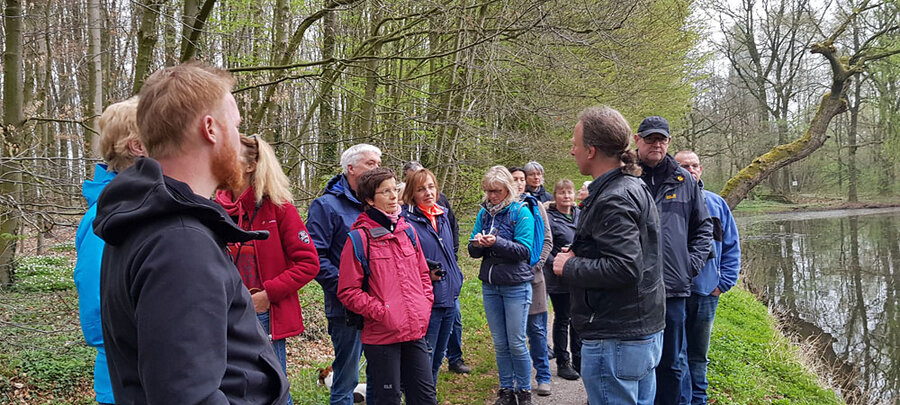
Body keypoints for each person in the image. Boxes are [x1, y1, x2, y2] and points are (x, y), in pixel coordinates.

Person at [93, 62, 289, 403]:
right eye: (235, 125)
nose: (240, 141)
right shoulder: (179, 242)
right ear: (210, 128)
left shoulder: (151, 220)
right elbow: (187, 396)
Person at [553, 106, 665, 405]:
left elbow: (625, 267)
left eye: (575, 144)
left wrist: (570, 265)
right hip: (638, 331)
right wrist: (582, 252)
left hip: (617, 337)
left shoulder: (615, 197)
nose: (572, 151)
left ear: (591, 151)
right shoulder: (631, 186)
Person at [214, 134, 321, 405]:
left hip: (263, 314)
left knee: (273, 391)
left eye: (230, 153)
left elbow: (308, 263)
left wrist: (267, 296)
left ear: (251, 166)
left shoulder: (279, 208)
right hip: (221, 312)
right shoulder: (214, 210)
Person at [337, 168, 437, 405]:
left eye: (394, 189)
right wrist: (383, 312)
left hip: (414, 329)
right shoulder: (359, 239)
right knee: (388, 399)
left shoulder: (407, 231)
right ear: (370, 200)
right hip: (382, 336)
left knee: (425, 398)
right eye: (385, 192)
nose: (393, 196)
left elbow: (423, 274)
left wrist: (424, 304)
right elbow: (348, 291)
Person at [633, 115, 712, 405]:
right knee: (636, 361)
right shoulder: (626, 177)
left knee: (672, 362)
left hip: (674, 289)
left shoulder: (684, 181)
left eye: (661, 139)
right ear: (637, 140)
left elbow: (704, 228)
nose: (656, 144)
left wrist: (690, 265)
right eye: (650, 139)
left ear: (668, 142)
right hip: (632, 287)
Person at [74, 97, 145, 405]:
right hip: (126, 380)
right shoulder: (106, 216)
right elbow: (96, 303)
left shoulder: (139, 206)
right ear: (136, 146)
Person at [307, 143, 382, 405]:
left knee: (381, 374)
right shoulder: (326, 206)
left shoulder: (378, 204)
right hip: (346, 310)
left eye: (379, 163)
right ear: (350, 168)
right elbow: (314, 257)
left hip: (381, 304)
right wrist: (349, 289)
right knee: (347, 378)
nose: (377, 168)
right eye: (370, 163)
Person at [673, 150, 741, 405]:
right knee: (677, 354)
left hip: (706, 291)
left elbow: (731, 246)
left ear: (700, 170)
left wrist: (723, 284)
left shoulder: (716, 203)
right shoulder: (666, 202)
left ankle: (699, 399)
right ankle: (683, 399)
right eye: (684, 166)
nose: (691, 170)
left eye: (695, 165)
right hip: (675, 292)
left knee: (699, 354)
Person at [469, 166, 535, 405]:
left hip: (516, 285)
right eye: (488, 191)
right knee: (499, 343)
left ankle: (524, 390)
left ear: (507, 189)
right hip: (491, 285)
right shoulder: (484, 213)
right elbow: (472, 251)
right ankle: (506, 389)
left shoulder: (521, 212)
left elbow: (524, 250)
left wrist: (496, 242)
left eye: (496, 191)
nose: (491, 196)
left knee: (516, 342)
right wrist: (477, 244)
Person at [402, 161, 470, 374]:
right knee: (425, 357)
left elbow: (449, 249)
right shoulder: (405, 221)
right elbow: (403, 262)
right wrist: (423, 271)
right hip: (426, 299)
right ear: (411, 193)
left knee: (439, 356)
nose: (428, 193)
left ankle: (430, 391)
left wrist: (455, 275)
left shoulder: (442, 215)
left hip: (449, 294)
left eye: (431, 187)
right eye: (421, 189)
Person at [509, 166, 553, 396]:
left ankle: (543, 376)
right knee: (514, 334)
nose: (519, 183)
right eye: (514, 179)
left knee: (537, 330)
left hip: (534, 278)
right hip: (509, 280)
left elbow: (547, 240)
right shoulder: (501, 208)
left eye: (521, 179)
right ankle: (517, 378)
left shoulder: (535, 206)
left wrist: (535, 264)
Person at [542, 179, 582, 381]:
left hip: (580, 275)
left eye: (569, 192)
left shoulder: (580, 215)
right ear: (555, 196)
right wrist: (558, 263)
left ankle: (579, 359)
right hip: (558, 277)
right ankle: (562, 360)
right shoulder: (549, 218)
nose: (566, 196)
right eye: (562, 192)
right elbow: (545, 246)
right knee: (563, 318)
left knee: (578, 319)